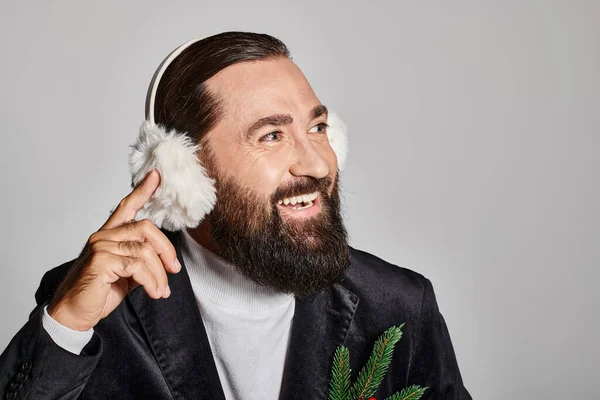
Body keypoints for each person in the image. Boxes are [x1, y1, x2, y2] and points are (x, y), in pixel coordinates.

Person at [0, 31, 471, 399]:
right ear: (183, 172)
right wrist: (64, 330)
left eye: (319, 127)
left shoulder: (400, 304)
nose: (319, 164)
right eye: (271, 135)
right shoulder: (88, 306)